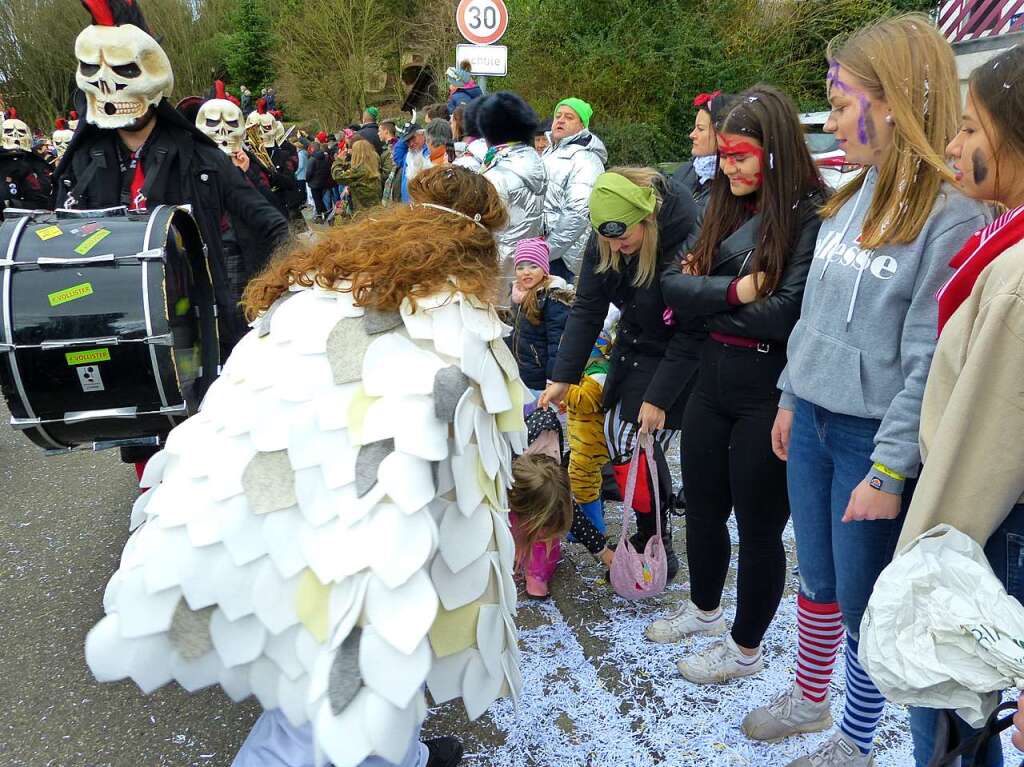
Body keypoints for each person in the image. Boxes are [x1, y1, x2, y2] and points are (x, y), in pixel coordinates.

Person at [741, 16, 990, 767]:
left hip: (869, 441)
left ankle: (855, 733)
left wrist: (887, 469)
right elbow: (814, 315)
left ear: (900, 103)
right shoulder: (849, 196)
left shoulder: (951, 217)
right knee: (815, 576)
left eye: (844, 102)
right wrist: (789, 393)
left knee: (866, 604)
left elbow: (928, 359)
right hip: (812, 420)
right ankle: (812, 698)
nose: (834, 119)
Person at [876, 43, 1024, 767]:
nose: (956, 146)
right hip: (992, 513)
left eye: (971, 128)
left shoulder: (1019, 273)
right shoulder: (1003, 234)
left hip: (991, 519)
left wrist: (923, 556)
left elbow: (985, 439)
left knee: (954, 698)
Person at [650, 85, 827, 686]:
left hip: (765, 388)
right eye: (724, 155)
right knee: (701, 509)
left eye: (741, 155)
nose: (728, 167)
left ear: (774, 152)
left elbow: (785, 315)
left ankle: (745, 648)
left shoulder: (808, 214)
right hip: (711, 379)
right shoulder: (719, 203)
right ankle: (704, 611)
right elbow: (671, 288)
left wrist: (706, 303)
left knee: (757, 529)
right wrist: (732, 293)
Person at [539, 169, 702, 581]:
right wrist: (564, 375)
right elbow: (588, 308)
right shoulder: (605, 241)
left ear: (647, 216)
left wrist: (660, 398)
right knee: (622, 440)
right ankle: (652, 528)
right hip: (634, 348)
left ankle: (656, 536)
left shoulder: (685, 242)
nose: (615, 246)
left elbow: (692, 331)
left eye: (622, 235)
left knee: (635, 439)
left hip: (677, 355)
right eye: (607, 238)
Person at [477, 92, 548, 291]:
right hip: (531, 263)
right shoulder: (536, 163)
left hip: (497, 267)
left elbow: (482, 226)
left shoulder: (496, 174)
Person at [542, 97, 608, 280]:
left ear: (582, 125)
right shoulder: (550, 151)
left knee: (559, 306)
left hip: (564, 257)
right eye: (558, 115)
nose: (561, 120)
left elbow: (578, 212)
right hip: (545, 249)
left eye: (569, 117)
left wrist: (548, 250)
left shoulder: (586, 159)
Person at [505, 237, 573, 395]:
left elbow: (557, 342)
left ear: (544, 269)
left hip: (540, 380)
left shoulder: (552, 298)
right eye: (520, 267)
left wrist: (553, 379)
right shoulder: (518, 294)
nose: (526, 272)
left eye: (533, 266)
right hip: (519, 373)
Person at [672, 90, 739, 210]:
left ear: (722, 134)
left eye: (700, 129)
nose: (692, 135)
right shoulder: (686, 171)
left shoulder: (733, 184)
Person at [1, 108, 53, 213]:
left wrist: (14, 204)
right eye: (9, 132)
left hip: (29, 214)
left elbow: (42, 196)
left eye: (21, 132)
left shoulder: (35, 162)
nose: (16, 136)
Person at [331, 138, 382, 218]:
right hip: (375, 209)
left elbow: (338, 176)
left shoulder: (360, 170)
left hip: (363, 213)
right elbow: (353, 167)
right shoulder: (372, 165)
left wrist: (338, 161)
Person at [392, 121, 431, 204]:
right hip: (407, 206)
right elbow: (397, 154)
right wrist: (405, 134)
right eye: (407, 141)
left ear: (422, 134)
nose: (411, 144)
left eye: (413, 138)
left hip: (424, 204)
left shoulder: (430, 152)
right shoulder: (407, 156)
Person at [452, 99, 487, 172]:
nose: (450, 126)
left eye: (452, 122)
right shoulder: (481, 141)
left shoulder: (469, 146)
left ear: (458, 123)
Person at [306, 141, 332, 222]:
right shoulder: (326, 158)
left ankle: (321, 217)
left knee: (317, 200)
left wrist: (308, 180)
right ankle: (326, 214)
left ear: (312, 148)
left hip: (314, 184)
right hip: (324, 182)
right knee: (322, 199)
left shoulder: (312, 159)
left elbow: (308, 173)